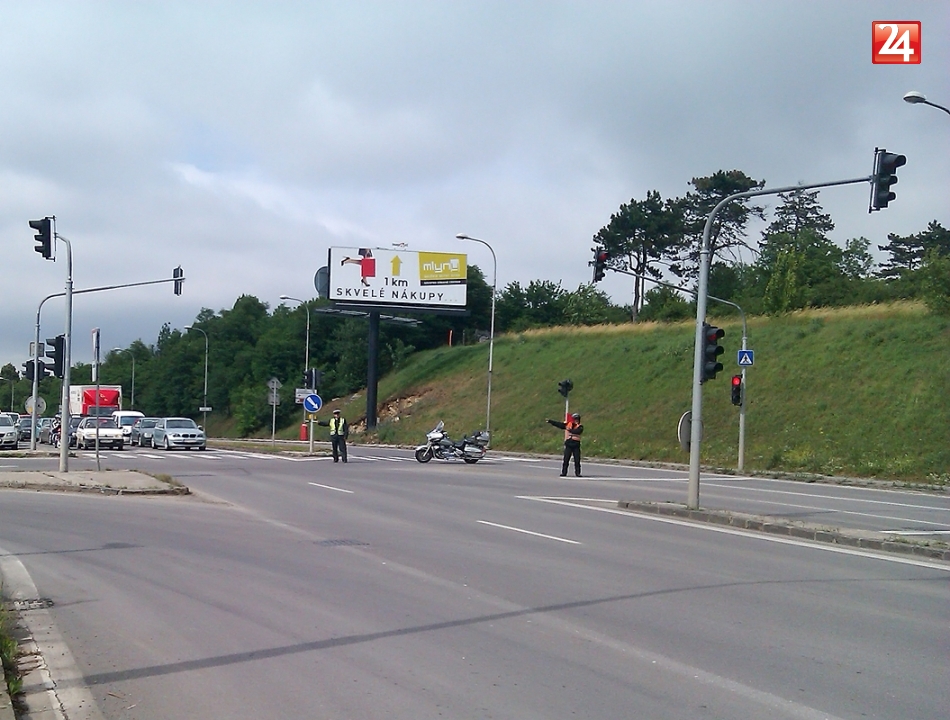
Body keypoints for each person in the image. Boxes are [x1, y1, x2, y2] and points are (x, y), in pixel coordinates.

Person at [546, 412, 583, 477]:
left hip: (576, 445)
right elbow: (559, 424)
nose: (576, 420)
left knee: (577, 460)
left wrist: (570, 430)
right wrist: (550, 421)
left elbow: (578, 431)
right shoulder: (568, 424)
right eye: (575, 419)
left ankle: (578, 473)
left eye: (577, 419)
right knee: (566, 459)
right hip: (569, 444)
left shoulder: (580, 426)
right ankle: (564, 472)